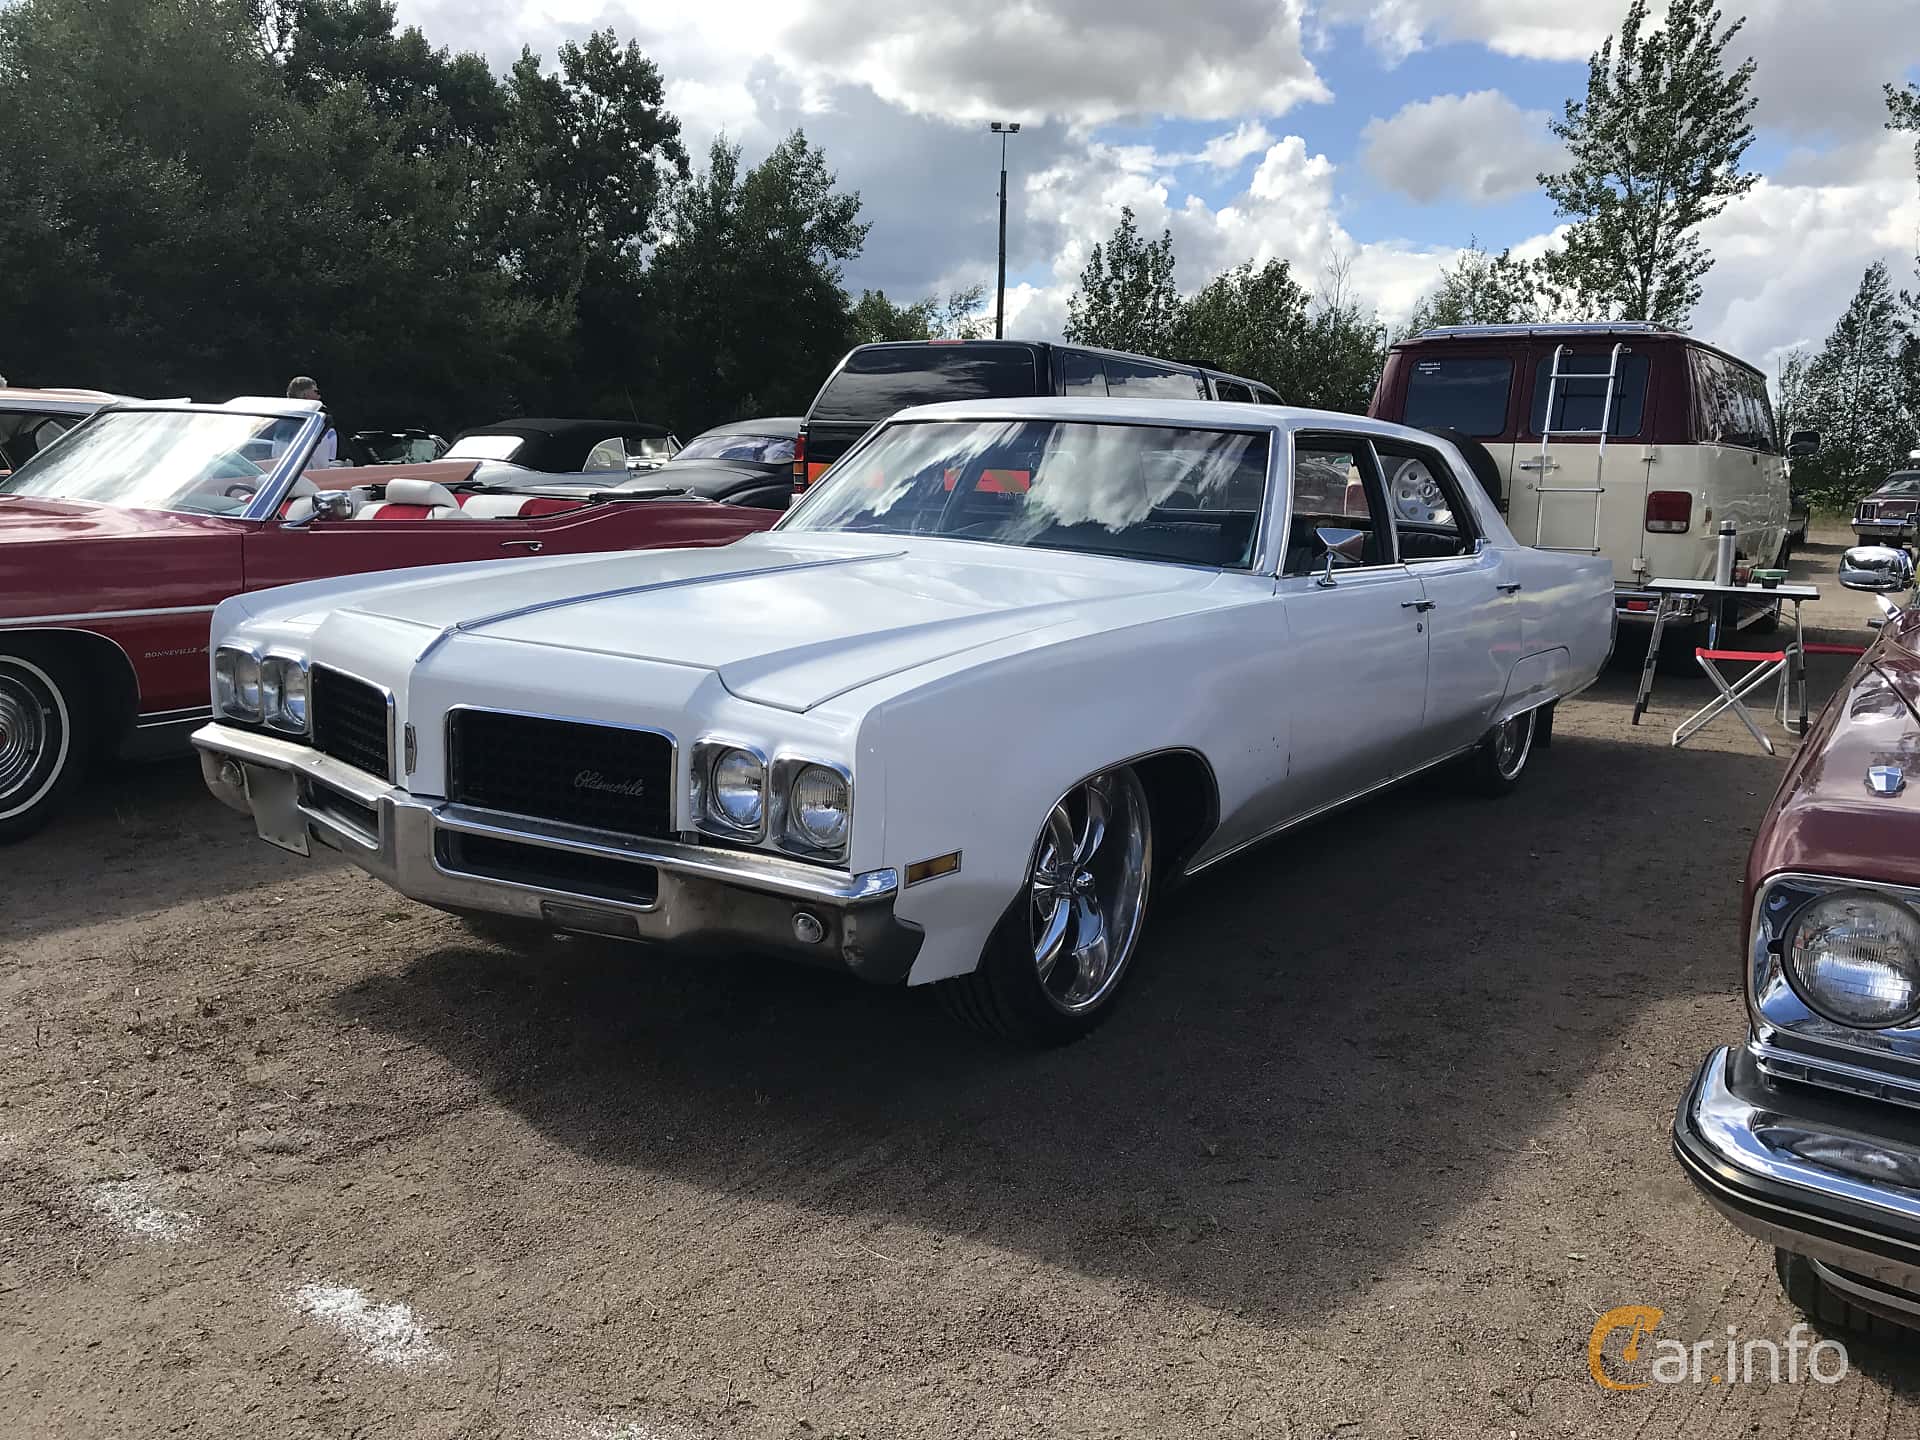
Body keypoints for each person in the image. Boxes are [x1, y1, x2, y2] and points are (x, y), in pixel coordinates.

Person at [286, 375, 338, 467]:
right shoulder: (316, 428)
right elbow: (322, 465)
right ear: (304, 394)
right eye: (315, 391)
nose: (319, 395)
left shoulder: (281, 424)